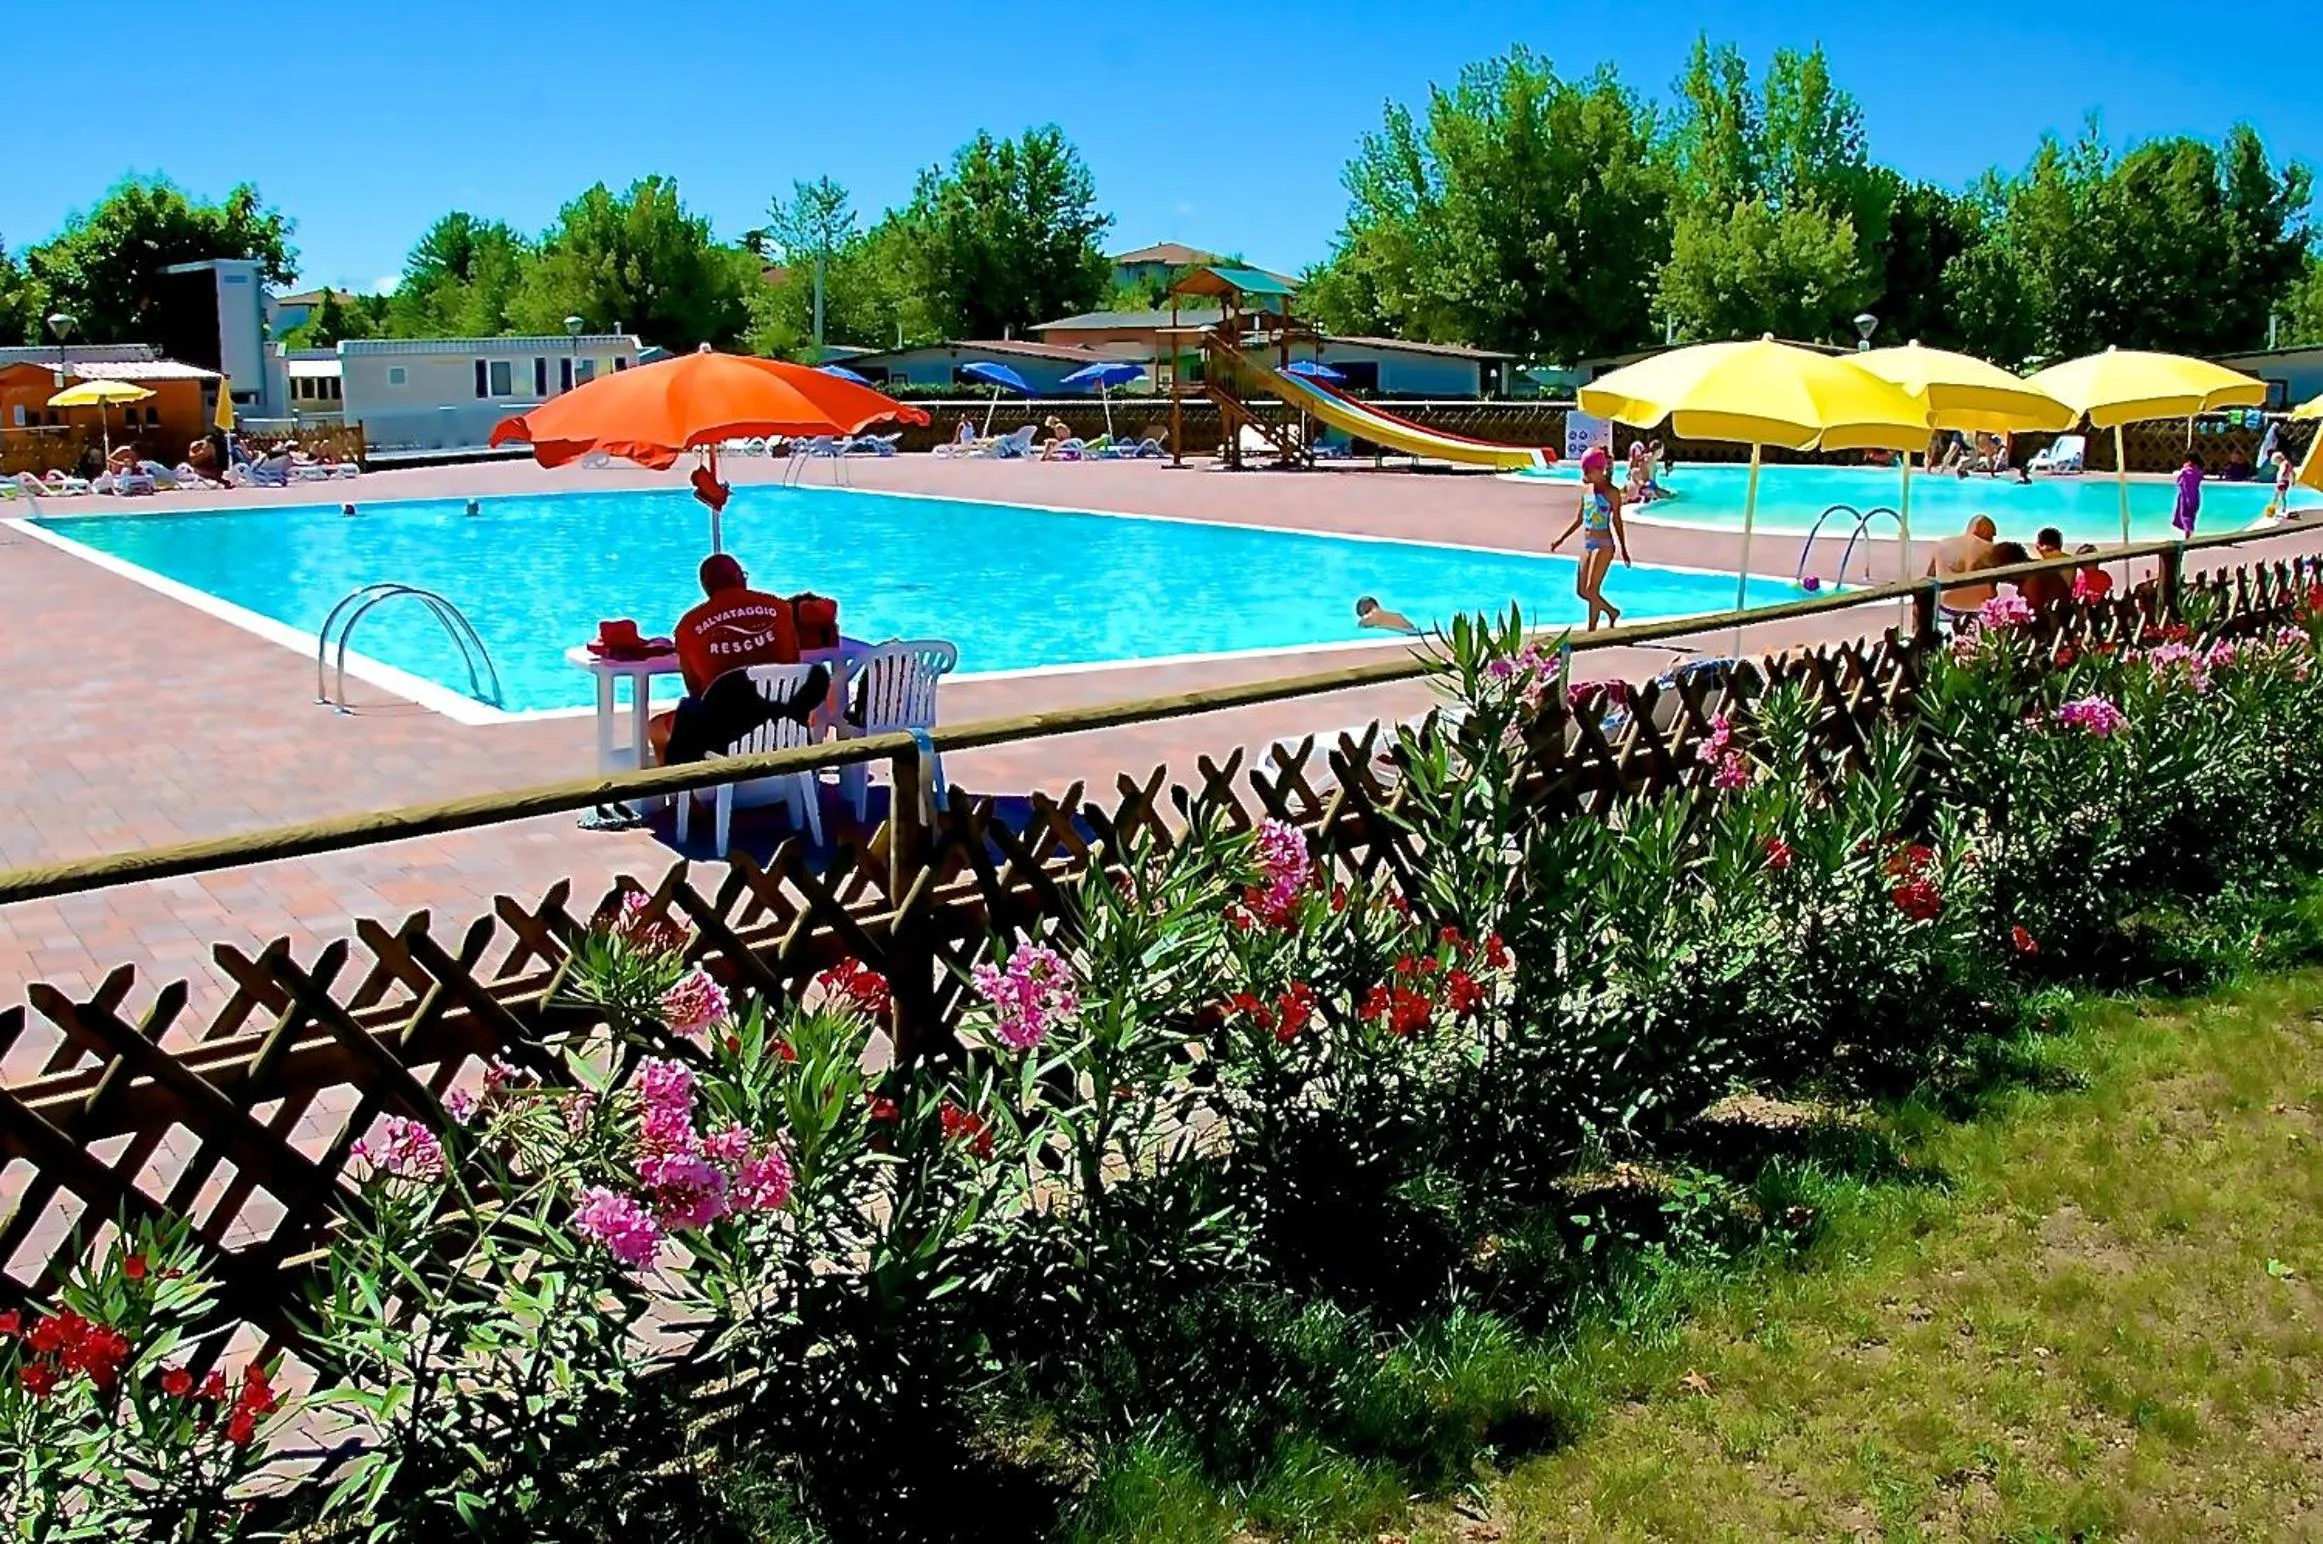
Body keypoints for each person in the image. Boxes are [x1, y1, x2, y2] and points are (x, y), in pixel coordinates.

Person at [649, 554, 802, 764]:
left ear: (705, 587)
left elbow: (696, 691)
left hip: (724, 735)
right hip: (780, 724)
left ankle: (684, 795)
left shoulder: (688, 627)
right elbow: (794, 664)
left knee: (658, 728)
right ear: (740, 578)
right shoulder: (780, 609)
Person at [1550, 446, 1631, 631]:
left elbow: (1617, 521)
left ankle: (1592, 629)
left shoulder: (1612, 493)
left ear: (1600, 470)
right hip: (1588, 544)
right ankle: (1611, 612)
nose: (1584, 474)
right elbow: (1580, 518)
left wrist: (1624, 549)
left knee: (1592, 589)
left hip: (1604, 545)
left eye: (1588, 470)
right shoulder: (1586, 490)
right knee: (1582, 591)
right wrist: (1561, 539)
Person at [1926, 514, 1998, 617]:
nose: (1992, 539)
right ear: (1982, 529)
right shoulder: (1993, 549)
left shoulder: (1943, 544)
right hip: (1981, 604)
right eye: (1992, 535)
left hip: (1948, 602)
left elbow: (1930, 576)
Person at [2172, 453, 2203, 538]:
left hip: (2186, 496)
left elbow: (2178, 476)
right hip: (2195, 496)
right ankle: (2189, 532)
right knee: (2190, 516)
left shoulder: (2186, 471)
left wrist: (2183, 470)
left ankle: (2188, 533)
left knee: (2185, 515)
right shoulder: (2198, 471)